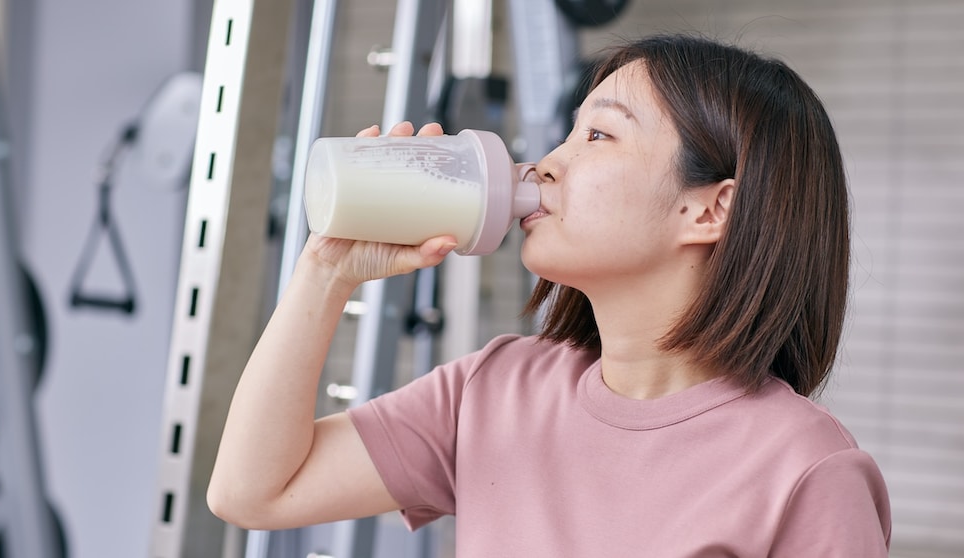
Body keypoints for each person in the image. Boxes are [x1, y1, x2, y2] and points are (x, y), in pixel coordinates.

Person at [207, 34, 892, 556]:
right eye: (567, 132)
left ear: (709, 211)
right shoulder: (492, 390)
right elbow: (253, 490)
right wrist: (328, 270)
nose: (547, 162)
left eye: (598, 134)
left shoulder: (806, 469)